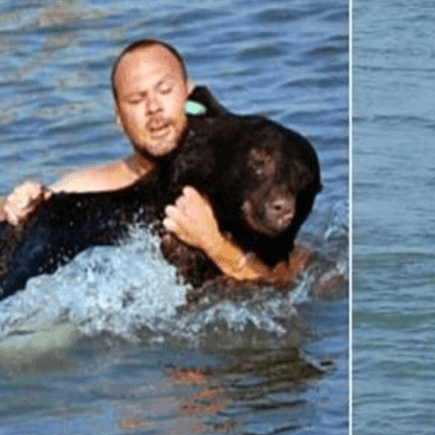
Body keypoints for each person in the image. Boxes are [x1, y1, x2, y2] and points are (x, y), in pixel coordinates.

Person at [0, 39, 307, 283]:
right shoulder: (87, 186)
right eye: (136, 100)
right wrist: (13, 207)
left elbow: (294, 279)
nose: (153, 108)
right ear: (119, 119)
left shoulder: (231, 181)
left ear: (188, 95)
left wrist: (213, 244)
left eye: (165, 90)